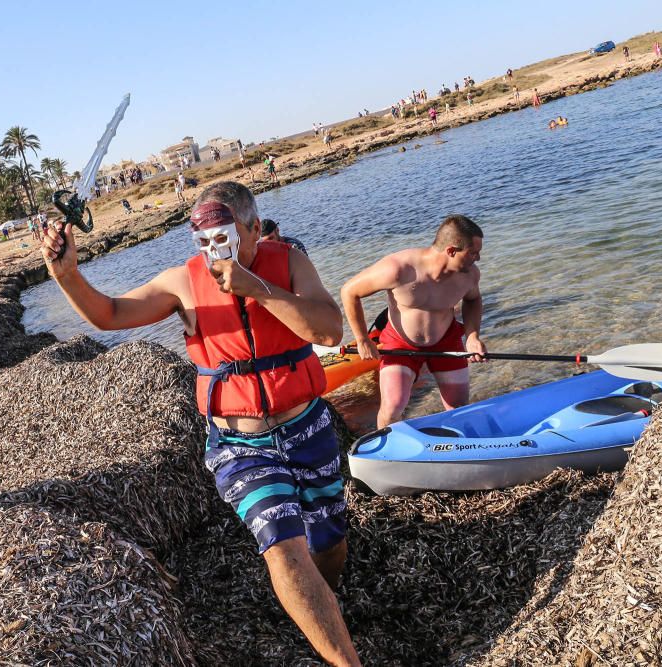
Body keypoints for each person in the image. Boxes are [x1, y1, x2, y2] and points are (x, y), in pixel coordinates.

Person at [40, 181, 360, 666]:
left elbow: (328, 330)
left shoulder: (290, 262)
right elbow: (108, 314)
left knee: (329, 538)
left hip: (307, 427)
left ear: (253, 229)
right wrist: (67, 276)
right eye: (204, 239)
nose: (214, 251)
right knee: (283, 548)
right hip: (239, 442)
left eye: (227, 235)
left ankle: (323, 606)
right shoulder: (182, 283)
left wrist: (258, 289)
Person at [340, 215, 487, 428]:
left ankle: (459, 451)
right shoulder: (399, 268)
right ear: (451, 251)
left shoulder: (469, 275)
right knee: (393, 408)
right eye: (473, 253)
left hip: (446, 340)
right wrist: (362, 339)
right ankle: (387, 455)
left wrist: (473, 336)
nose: (478, 258)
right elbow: (349, 291)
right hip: (401, 343)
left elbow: (473, 300)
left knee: (458, 407)